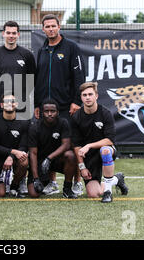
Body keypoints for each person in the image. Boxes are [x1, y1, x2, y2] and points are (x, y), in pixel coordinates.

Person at [33, 14, 86, 196]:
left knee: (71, 146)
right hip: (47, 108)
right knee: (49, 145)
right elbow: (39, 80)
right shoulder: (42, 50)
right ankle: (52, 182)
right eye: (47, 26)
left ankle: (77, 182)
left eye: (53, 26)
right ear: (43, 29)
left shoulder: (71, 48)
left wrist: (76, 101)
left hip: (66, 107)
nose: (51, 29)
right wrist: (37, 104)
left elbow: (79, 77)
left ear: (59, 27)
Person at [71, 82, 129, 203]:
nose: (87, 97)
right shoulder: (76, 117)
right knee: (93, 194)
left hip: (105, 150)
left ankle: (108, 192)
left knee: (105, 150)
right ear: (81, 97)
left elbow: (109, 140)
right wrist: (82, 167)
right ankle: (117, 180)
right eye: (84, 95)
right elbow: (76, 146)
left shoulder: (105, 113)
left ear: (96, 96)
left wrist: (89, 145)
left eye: (90, 94)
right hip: (89, 157)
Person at [27, 98, 78, 199]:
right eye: (46, 111)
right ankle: (44, 181)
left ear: (58, 112)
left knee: (70, 155)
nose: (49, 114)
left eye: (53, 111)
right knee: (34, 193)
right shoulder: (34, 127)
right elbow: (33, 153)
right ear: (42, 113)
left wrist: (49, 158)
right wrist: (36, 178)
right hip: (40, 163)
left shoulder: (63, 123)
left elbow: (66, 145)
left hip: (57, 160)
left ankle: (67, 189)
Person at [0, 21, 36, 117]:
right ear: (3, 34)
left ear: (18, 34)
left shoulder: (27, 55)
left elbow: (32, 79)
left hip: (20, 103)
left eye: (14, 33)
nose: (11, 36)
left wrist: (21, 94)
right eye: (8, 33)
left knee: (20, 131)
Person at [0, 92, 29, 198]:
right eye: (6, 101)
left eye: (13, 101)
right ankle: (1, 182)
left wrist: (11, 156)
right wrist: (13, 152)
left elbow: (23, 146)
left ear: (17, 104)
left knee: (24, 161)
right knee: (0, 193)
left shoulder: (24, 122)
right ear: (1, 105)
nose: (10, 103)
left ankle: (15, 186)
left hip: (14, 159)